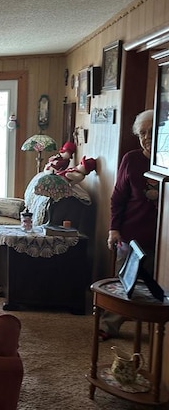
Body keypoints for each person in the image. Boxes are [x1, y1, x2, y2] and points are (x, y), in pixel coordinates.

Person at [99, 109, 159, 340]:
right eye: (142, 132)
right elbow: (118, 198)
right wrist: (114, 229)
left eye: (152, 132)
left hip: (161, 240)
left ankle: (156, 334)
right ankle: (108, 326)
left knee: (158, 289)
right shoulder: (132, 159)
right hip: (131, 235)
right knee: (123, 284)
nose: (146, 137)